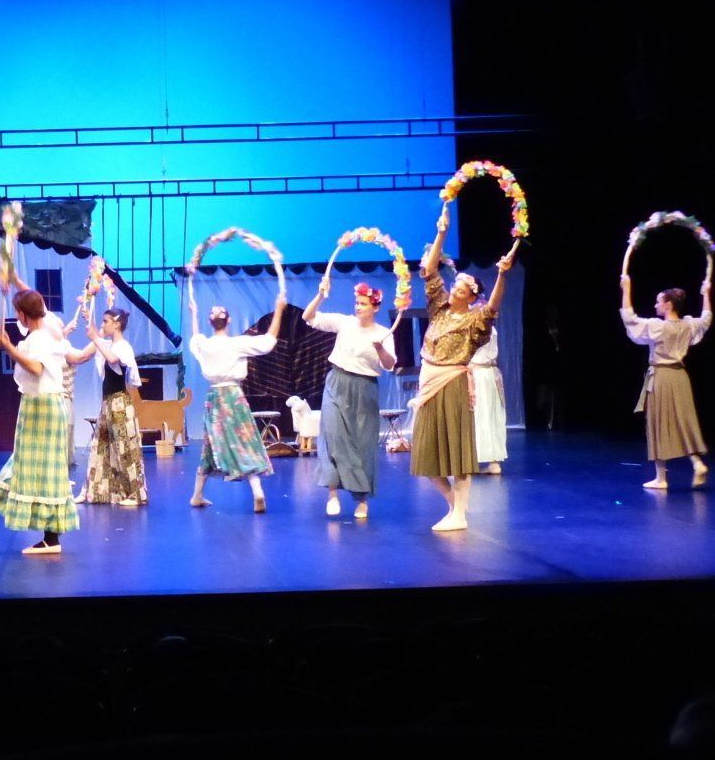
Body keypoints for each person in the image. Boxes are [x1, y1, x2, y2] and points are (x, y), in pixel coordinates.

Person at [408, 209, 514, 532]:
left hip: (453, 383)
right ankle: (457, 506)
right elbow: (428, 270)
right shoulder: (438, 309)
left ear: (472, 296)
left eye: (463, 287)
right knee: (426, 456)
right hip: (429, 384)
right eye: (456, 284)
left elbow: (493, 308)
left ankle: (460, 513)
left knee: (457, 452)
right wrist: (441, 233)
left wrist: (503, 275)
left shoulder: (474, 321)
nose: (456, 288)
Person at [0, 286, 94, 552]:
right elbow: (75, 358)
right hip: (41, 404)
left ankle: (51, 538)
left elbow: (35, 367)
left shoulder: (42, 338)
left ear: (21, 314)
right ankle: (50, 537)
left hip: (43, 405)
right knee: (43, 469)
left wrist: (9, 347)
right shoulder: (48, 333)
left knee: (45, 471)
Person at [299, 277, 397, 520]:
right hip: (337, 382)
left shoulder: (384, 333)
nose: (358, 307)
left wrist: (380, 349)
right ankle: (332, 494)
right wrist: (321, 294)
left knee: (361, 443)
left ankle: (361, 500)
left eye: (363, 303)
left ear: (375, 307)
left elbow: (390, 365)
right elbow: (308, 318)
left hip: (365, 388)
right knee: (333, 436)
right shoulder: (345, 323)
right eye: (357, 302)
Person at [186, 284, 284, 513]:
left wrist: (193, 314)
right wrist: (278, 310)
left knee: (212, 443)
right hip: (234, 396)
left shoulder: (205, 345)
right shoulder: (237, 343)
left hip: (215, 398)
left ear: (211, 323)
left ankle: (197, 495)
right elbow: (269, 341)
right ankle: (255, 491)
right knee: (244, 440)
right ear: (228, 321)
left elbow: (195, 338)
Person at [621, 273, 712, 489]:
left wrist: (626, 289)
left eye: (658, 301)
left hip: (662, 377)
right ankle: (697, 462)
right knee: (684, 420)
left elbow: (630, 319)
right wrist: (706, 294)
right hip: (680, 377)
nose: (655, 305)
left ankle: (661, 478)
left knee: (658, 423)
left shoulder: (659, 327)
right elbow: (706, 318)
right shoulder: (687, 325)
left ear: (668, 305)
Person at [78, 307, 148, 506]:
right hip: (108, 403)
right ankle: (94, 490)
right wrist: (90, 322)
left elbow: (113, 359)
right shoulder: (109, 344)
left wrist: (96, 336)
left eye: (105, 321)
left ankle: (134, 494)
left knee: (125, 449)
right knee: (100, 447)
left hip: (119, 403)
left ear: (116, 324)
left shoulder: (123, 347)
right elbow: (100, 350)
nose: (103, 325)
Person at [470, 315, 508, 475]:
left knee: (479, 415)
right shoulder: (491, 329)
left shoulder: (480, 329)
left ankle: (472, 461)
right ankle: (494, 462)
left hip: (479, 374)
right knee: (492, 416)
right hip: (489, 373)